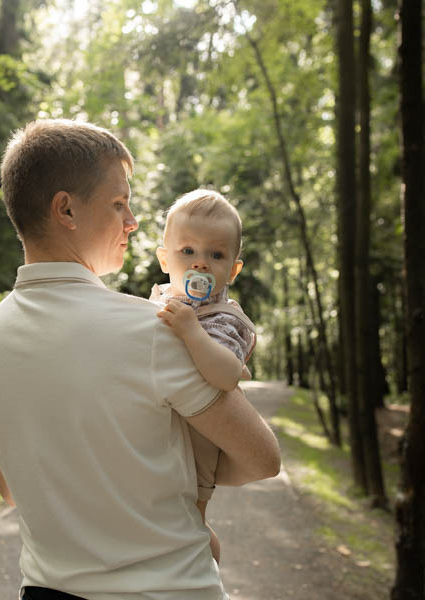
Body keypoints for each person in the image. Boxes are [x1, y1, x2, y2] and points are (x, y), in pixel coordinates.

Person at [0, 119, 280, 600]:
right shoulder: (156, 329)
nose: (131, 220)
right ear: (65, 209)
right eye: (118, 204)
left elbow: (12, 491)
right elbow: (261, 459)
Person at [151, 189, 256, 564]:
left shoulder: (225, 319)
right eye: (188, 251)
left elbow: (227, 375)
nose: (200, 264)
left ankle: (206, 570)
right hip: (156, 431)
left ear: (233, 269)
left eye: (216, 254)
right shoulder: (160, 300)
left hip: (195, 446)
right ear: (165, 259)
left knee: (189, 520)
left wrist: (192, 332)